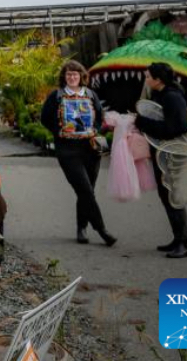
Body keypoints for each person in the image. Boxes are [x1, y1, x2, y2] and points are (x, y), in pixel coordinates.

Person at [41, 60, 117, 246]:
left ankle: (81, 228)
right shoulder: (56, 95)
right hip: (67, 150)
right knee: (84, 189)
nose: (72, 77)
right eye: (68, 74)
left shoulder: (90, 94)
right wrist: (58, 132)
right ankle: (102, 230)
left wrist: (94, 130)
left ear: (81, 76)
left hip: (90, 148)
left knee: (87, 190)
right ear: (64, 77)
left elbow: (99, 116)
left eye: (75, 74)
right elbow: (44, 118)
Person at [136, 62, 187, 259]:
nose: (146, 80)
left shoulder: (172, 97)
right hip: (163, 152)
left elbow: (176, 128)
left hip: (174, 154)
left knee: (174, 197)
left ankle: (185, 243)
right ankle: (178, 237)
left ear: (158, 80)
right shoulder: (161, 95)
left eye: (148, 77)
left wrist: (142, 122)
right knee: (166, 196)